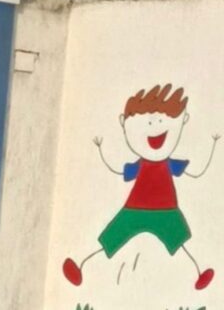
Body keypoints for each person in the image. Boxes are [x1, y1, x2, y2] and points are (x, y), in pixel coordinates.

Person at [63, 83, 218, 291]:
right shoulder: (142, 164)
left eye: (162, 120)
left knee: (180, 241)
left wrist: (213, 146)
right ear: (123, 123)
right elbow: (119, 171)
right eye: (148, 121)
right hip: (135, 208)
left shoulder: (169, 164)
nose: (155, 126)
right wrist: (101, 151)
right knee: (112, 237)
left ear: (184, 120)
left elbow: (196, 172)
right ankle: (80, 266)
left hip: (166, 211)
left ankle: (199, 273)